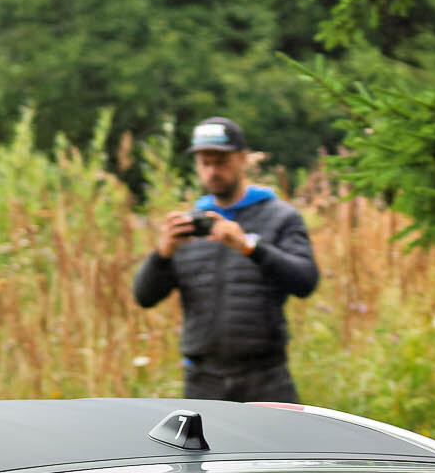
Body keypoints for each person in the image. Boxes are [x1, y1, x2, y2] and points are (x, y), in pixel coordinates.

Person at [133, 116, 319, 403]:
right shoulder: (189, 227)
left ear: (243, 159)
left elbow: (305, 281)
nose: (212, 171)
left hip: (266, 377)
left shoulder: (280, 217)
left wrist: (250, 247)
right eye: (204, 163)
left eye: (221, 162)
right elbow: (144, 297)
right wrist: (163, 253)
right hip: (203, 381)